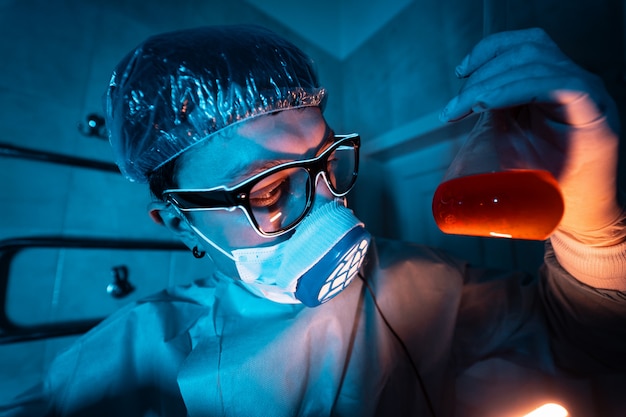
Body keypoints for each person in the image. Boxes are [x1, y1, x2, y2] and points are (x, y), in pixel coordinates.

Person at [2, 24, 626, 417]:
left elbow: (585, 340)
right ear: (177, 222)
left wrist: (593, 226)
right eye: (272, 190)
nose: (329, 206)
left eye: (326, 160)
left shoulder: (417, 280)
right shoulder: (127, 360)